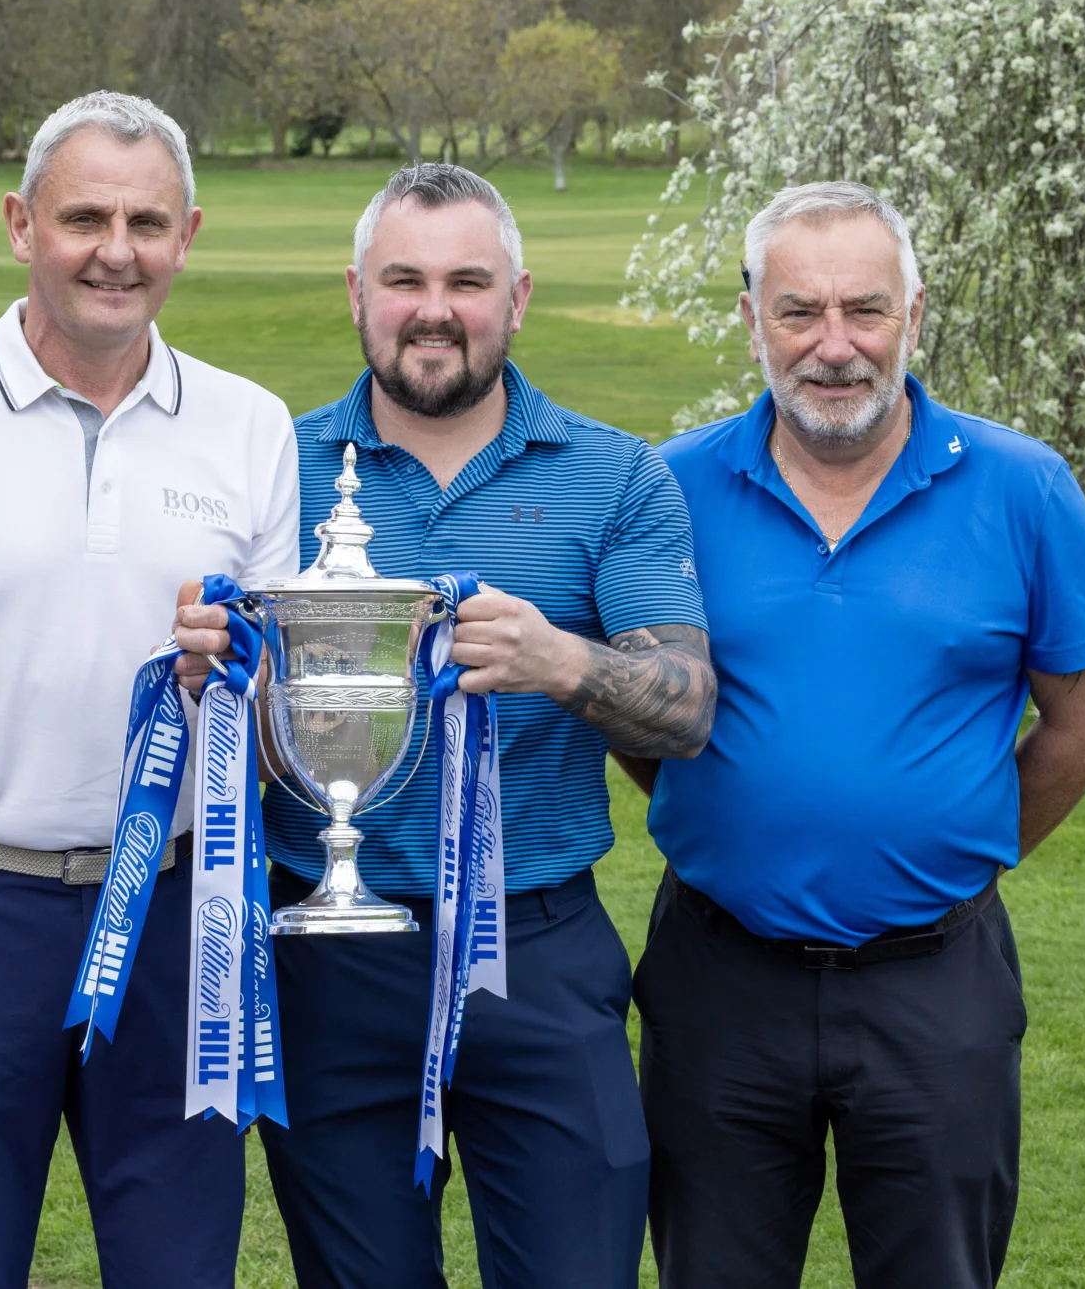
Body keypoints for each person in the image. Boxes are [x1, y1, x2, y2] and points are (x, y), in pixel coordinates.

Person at [177, 162, 717, 1288]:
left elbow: (687, 709)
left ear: (517, 298)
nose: (435, 310)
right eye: (404, 280)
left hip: (538, 949)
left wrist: (559, 660)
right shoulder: (273, 465)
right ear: (357, 293)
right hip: (327, 954)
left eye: (468, 282)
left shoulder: (616, 474)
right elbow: (224, 703)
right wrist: (208, 664)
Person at [0, 91, 300, 1288]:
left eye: (147, 222)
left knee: (181, 1269)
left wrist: (241, 677)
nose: (115, 251)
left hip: (179, 917)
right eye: (84, 218)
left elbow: (279, 730)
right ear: (20, 224)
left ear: (188, 235)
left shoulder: (251, 426)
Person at [631, 181, 1085, 1289]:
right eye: (799, 311)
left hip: (935, 988)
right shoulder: (669, 488)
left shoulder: (1024, 487)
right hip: (719, 980)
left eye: (865, 309)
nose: (835, 345)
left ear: (914, 313)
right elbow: (638, 708)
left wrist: (949, 847)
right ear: (752, 318)